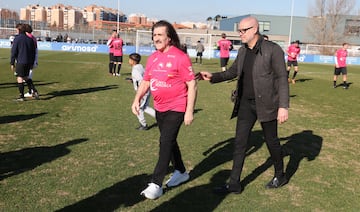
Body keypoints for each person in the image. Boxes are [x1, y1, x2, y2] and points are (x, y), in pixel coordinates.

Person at [197, 16, 289, 194]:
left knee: (272, 142)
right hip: (245, 104)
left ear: (254, 29)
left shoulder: (273, 50)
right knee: (240, 143)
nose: (240, 34)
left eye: (243, 30)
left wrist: (283, 106)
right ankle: (234, 184)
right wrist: (213, 76)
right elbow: (232, 71)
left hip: (267, 104)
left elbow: (282, 78)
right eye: (239, 31)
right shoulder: (242, 51)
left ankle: (280, 175)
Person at [131, 20, 197, 200]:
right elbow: (145, 82)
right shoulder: (153, 58)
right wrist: (136, 99)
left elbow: (192, 84)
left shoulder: (180, 57)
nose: (156, 38)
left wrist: (189, 110)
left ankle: (156, 184)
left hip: (177, 107)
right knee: (170, 141)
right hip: (160, 107)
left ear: (169, 38)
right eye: (154, 35)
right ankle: (181, 172)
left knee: (165, 141)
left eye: (160, 35)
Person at [10, 23, 39, 101]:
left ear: (19, 30)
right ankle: (34, 91)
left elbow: (13, 51)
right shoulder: (30, 39)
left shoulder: (17, 38)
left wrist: (12, 62)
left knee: (19, 77)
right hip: (29, 62)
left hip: (21, 61)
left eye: (16, 30)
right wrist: (32, 62)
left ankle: (21, 96)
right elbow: (33, 52)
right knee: (26, 77)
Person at [129, 53, 155, 130]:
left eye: (130, 59)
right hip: (147, 89)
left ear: (133, 61)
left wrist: (140, 91)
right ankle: (160, 118)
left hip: (143, 90)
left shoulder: (135, 70)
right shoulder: (140, 66)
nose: (129, 61)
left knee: (138, 108)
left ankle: (143, 125)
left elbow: (141, 80)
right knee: (145, 107)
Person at [24, 24, 39, 98]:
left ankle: (31, 91)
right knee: (28, 75)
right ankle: (31, 91)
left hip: (30, 58)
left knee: (27, 75)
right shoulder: (33, 37)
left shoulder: (28, 37)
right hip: (33, 57)